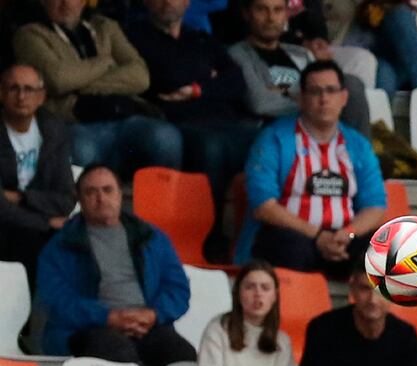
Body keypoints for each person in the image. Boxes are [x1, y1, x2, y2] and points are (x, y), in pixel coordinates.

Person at [35, 166, 194, 366]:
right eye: (91, 192)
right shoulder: (60, 246)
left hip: (146, 321)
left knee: (184, 356)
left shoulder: (151, 237)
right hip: (89, 326)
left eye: (107, 190)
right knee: (120, 352)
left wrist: (153, 314)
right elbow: (56, 299)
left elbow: (178, 288)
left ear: (121, 195)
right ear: (79, 200)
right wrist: (107, 317)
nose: (100, 198)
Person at [125, 0, 258, 252]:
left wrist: (198, 88)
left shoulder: (200, 38)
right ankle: (210, 236)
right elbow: (163, 79)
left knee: (266, 141)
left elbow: (238, 81)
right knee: (211, 148)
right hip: (178, 121)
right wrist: (209, 80)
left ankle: (260, 243)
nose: (168, 3)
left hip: (226, 121)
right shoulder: (136, 37)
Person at [237, 60, 385, 270]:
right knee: (290, 246)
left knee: (383, 250)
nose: (324, 99)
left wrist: (347, 234)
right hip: (293, 239)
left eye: (331, 90)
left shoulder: (358, 145)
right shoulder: (273, 139)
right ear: (302, 99)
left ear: (344, 97)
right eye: (315, 91)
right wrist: (318, 236)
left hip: (342, 240)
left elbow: (375, 205)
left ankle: (366, 302)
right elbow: (263, 207)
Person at [14, 0, 185, 175]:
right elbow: (58, 80)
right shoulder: (30, 35)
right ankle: (78, 202)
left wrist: (78, 84)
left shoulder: (106, 27)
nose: (65, 4)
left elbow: (140, 77)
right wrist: (105, 62)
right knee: (81, 149)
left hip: (123, 116)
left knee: (166, 138)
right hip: (74, 121)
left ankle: (161, 203)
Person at [227, 0, 371, 134]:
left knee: (351, 84)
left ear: (286, 15)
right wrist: (312, 101)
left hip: (317, 123)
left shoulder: (300, 53)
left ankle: (357, 154)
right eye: (262, 10)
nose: (271, 18)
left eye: (278, 10)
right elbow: (260, 102)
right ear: (246, 14)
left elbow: (321, 87)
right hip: (278, 129)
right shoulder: (237, 54)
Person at [0, 64, 74, 285]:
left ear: (41, 97)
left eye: (29, 89)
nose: (21, 96)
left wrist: (22, 198)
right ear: (1, 93)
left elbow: (66, 198)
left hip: (32, 219)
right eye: (13, 89)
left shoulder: (53, 130)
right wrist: (45, 223)